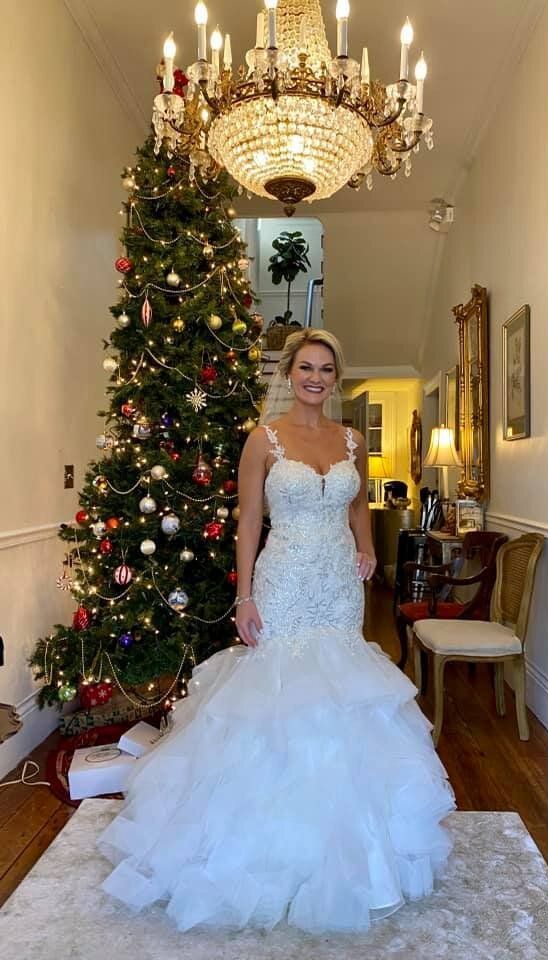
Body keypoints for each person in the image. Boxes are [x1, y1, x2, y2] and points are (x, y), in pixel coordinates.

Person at [98, 328, 455, 934]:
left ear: (334, 378)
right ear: (288, 374)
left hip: (338, 584)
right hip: (284, 578)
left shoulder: (350, 438)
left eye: (326, 369)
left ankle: (353, 842)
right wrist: (243, 594)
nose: (315, 377)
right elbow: (249, 521)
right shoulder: (262, 440)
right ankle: (266, 844)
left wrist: (367, 549)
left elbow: (357, 504)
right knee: (280, 689)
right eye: (306, 367)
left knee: (341, 690)